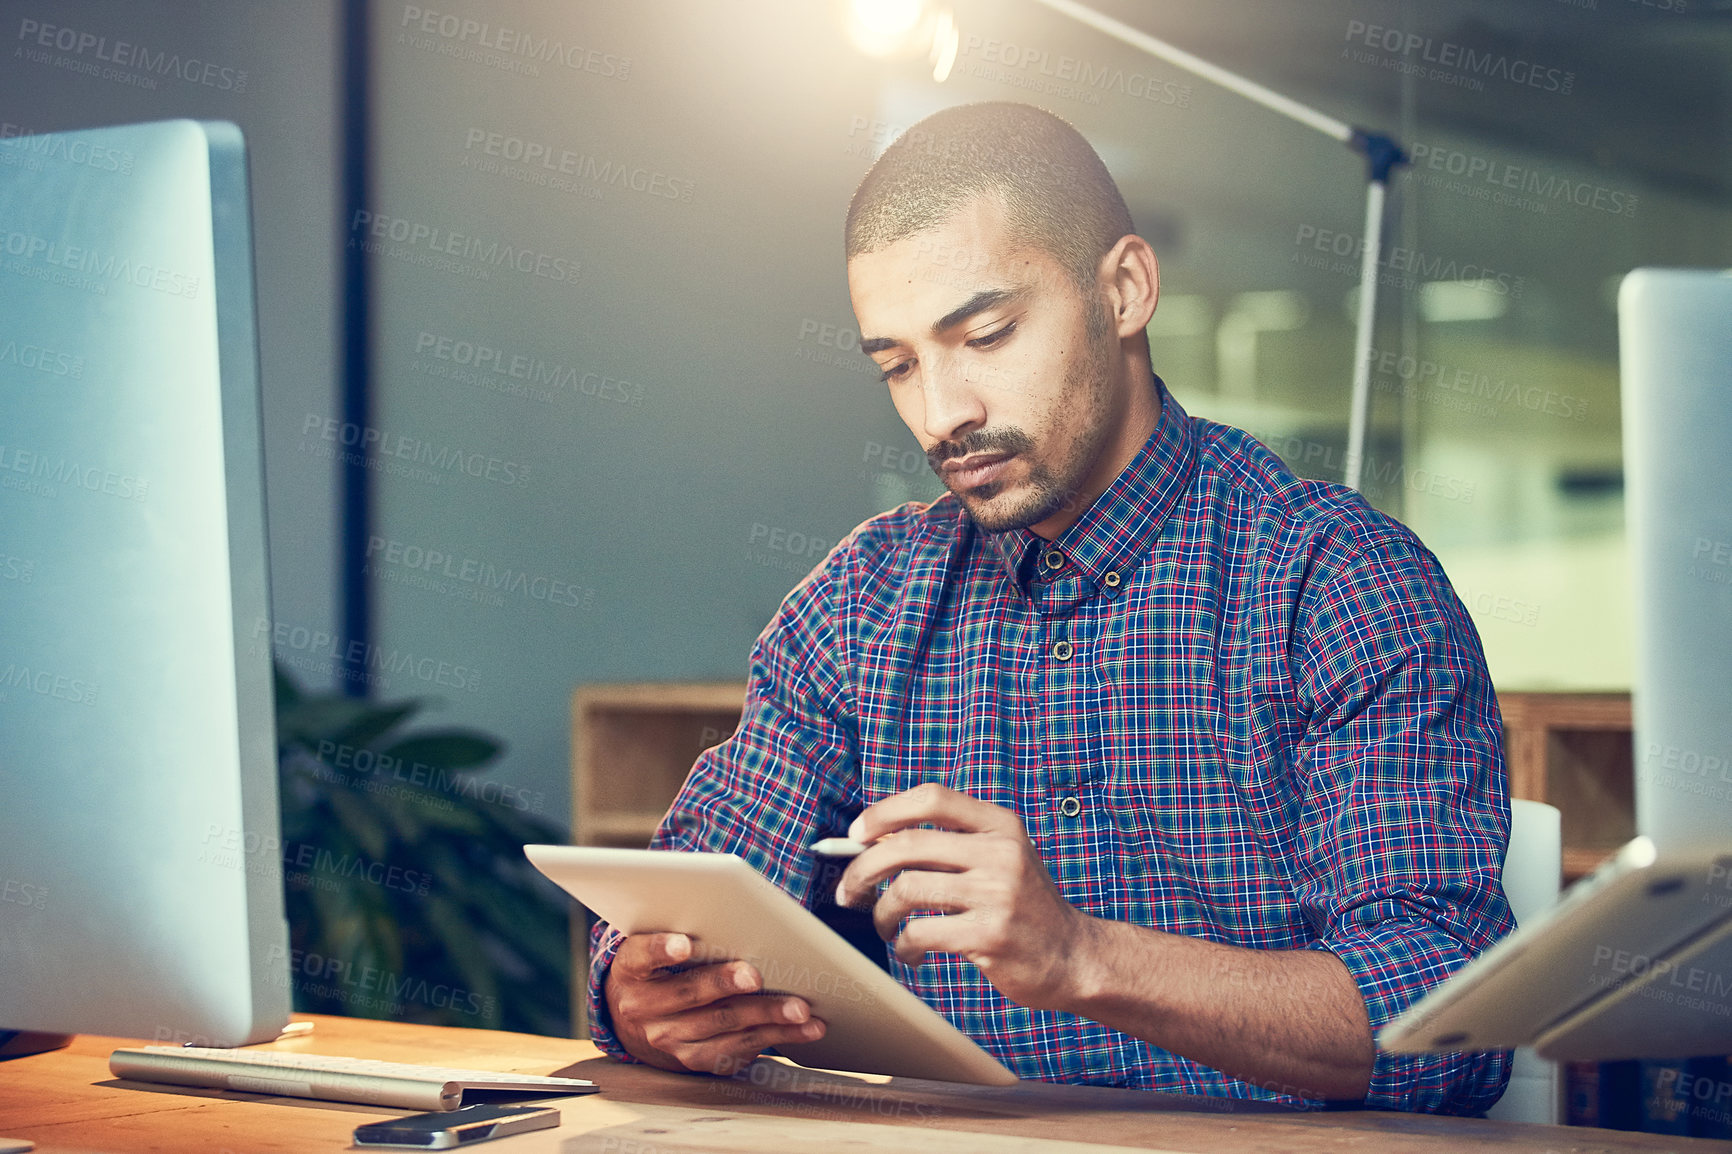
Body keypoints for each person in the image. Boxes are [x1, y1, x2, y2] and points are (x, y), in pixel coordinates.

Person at [587, 101, 1514, 1113]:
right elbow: (694, 895)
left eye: (984, 333)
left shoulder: (1336, 579)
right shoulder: (861, 604)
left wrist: (1078, 953)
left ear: (1122, 290)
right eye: (897, 364)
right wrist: (643, 994)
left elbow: (1447, 1021)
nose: (943, 413)